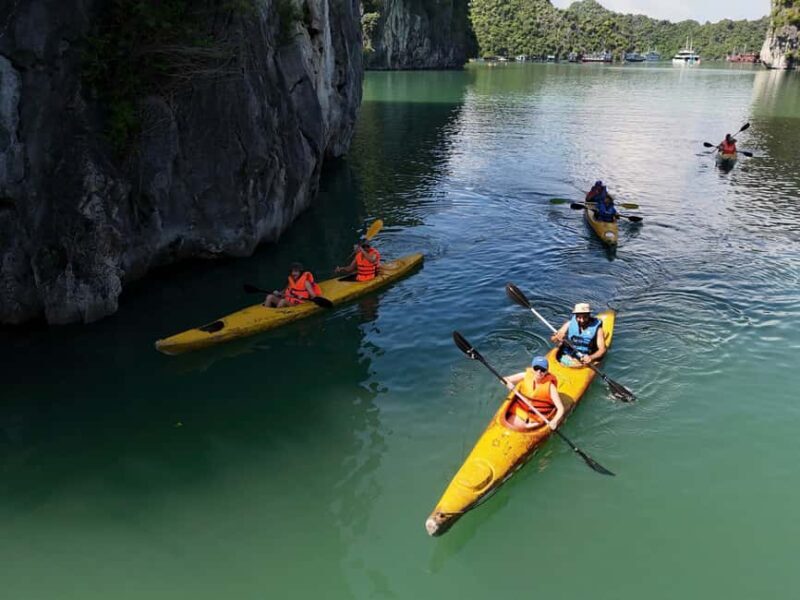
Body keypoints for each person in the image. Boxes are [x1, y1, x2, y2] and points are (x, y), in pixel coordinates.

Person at [503, 356, 565, 430]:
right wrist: (508, 384)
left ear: (547, 371)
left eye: (542, 370)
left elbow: (561, 409)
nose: (539, 372)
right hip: (522, 410)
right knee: (512, 424)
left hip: (538, 416)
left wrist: (554, 421)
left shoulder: (551, 387)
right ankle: (526, 425)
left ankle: (528, 426)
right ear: (532, 368)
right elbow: (504, 379)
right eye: (536, 368)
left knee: (526, 427)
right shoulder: (525, 375)